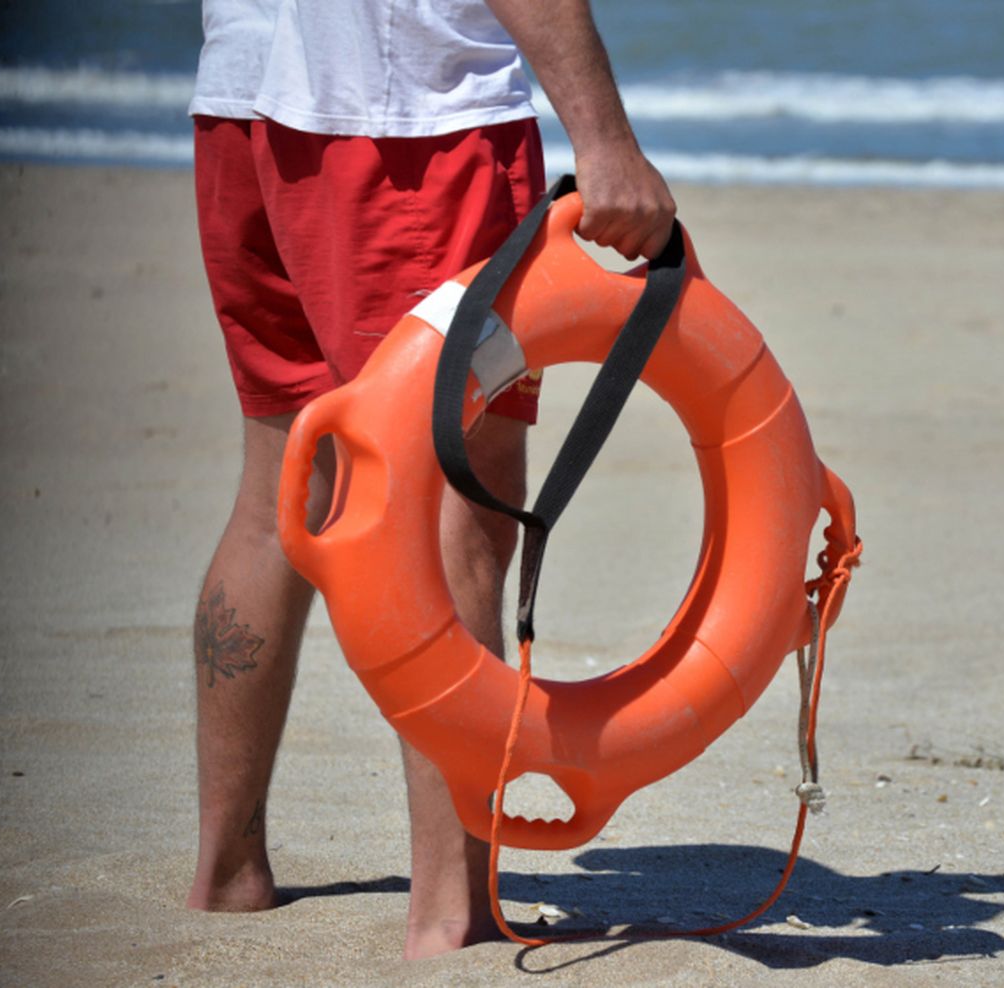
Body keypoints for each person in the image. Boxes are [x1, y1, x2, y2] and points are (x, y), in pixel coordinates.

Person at [184, 0, 675, 959]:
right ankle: (451, 909)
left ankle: (227, 870)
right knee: (460, 508)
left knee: (286, 486)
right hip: (410, 129)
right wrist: (606, 140)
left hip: (244, 111)